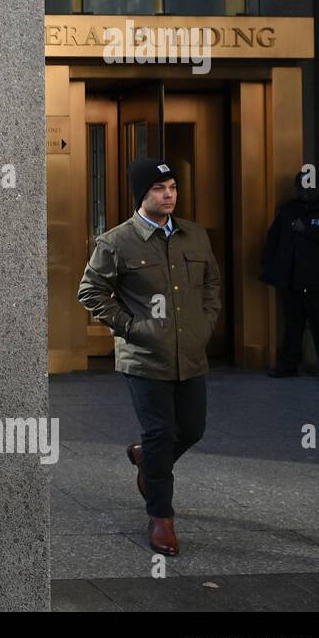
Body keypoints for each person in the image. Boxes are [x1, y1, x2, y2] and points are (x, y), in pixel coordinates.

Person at [77, 157, 222, 557]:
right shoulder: (116, 242)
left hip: (190, 354)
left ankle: (145, 458)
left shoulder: (195, 236)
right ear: (143, 194)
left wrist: (206, 324)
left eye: (173, 187)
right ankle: (161, 517)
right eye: (160, 189)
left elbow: (211, 283)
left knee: (191, 429)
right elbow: (90, 292)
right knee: (161, 433)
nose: (169, 194)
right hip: (145, 358)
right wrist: (132, 327)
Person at [261, 172, 319, 384]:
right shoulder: (289, 210)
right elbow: (274, 238)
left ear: (318, 187)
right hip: (292, 280)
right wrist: (269, 264)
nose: (305, 192)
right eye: (301, 188)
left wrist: (308, 230)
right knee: (293, 326)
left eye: (309, 187)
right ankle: (289, 365)